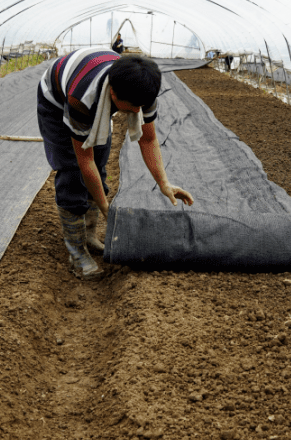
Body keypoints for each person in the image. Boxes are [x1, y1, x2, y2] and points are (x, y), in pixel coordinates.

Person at [36, 49, 194, 280]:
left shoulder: (142, 93)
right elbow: (84, 160)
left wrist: (164, 183)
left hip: (93, 88)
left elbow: (148, 139)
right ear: (113, 93)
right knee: (72, 172)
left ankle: (89, 235)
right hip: (56, 100)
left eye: (141, 106)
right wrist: (106, 208)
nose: (137, 112)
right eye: (131, 106)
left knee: (101, 161)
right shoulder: (83, 99)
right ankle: (76, 252)